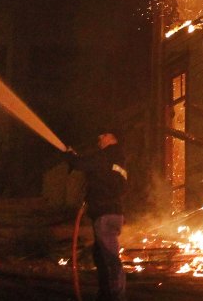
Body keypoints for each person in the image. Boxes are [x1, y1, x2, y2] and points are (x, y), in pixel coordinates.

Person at [67, 129, 128, 301]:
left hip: (104, 214)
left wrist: (70, 154)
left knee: (109, 259)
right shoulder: (119, 160)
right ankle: (105, 295)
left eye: (104, 135)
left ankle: (115, 297)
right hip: (114, 213)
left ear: (113, 139)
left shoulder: (107, 155)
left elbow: (82, 164)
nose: (99, 137)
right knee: (101, 257)